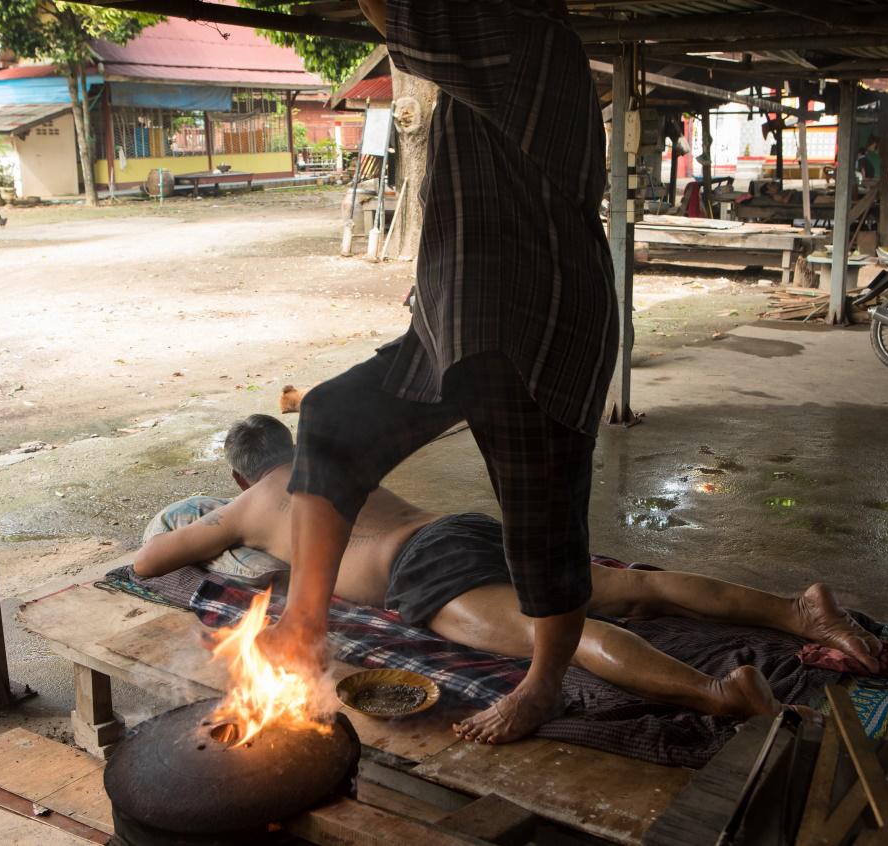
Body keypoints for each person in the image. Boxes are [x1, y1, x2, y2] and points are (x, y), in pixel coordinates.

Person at [261, 0, 621, 745]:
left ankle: (544, 684)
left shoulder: (524, 35)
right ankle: (304, 623)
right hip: (461, 310)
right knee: (332, 417)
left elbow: (396, 12)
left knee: (541, 514)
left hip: (538, 320)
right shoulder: (500, 44)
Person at [136, 416, 881, 740]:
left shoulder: (242, 504)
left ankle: (720, 692)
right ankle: (799, 612)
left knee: (557, 637)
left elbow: (146, 564)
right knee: (632, 587)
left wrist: (216, 516)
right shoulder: (336, 461)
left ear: (240, 472)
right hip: (460, 528)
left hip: (420, 570)